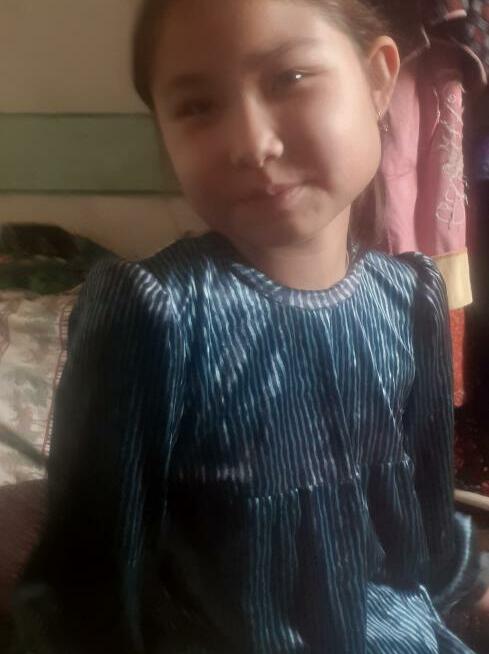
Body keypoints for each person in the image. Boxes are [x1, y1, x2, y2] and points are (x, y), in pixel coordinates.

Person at [11, 0, 489, 652]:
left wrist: (468, 598)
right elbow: (85, 584)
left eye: (289, 78)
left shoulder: (410, 299)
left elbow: (428, 526)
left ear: (378, 78)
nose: (251, 144)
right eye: (197, 106)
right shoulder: (154, 313)